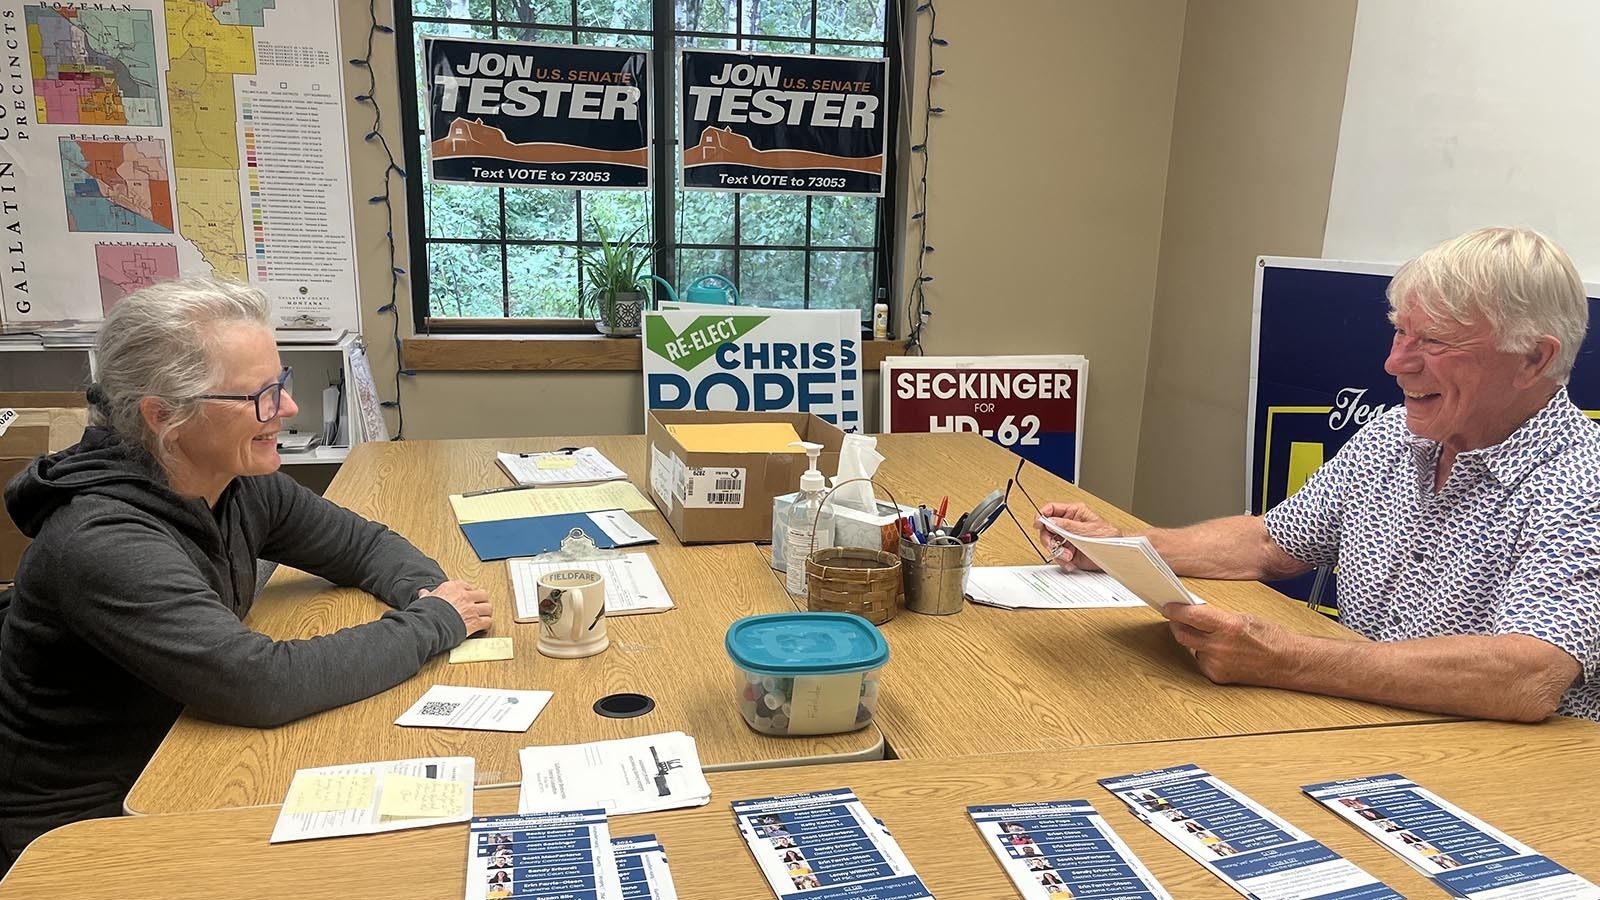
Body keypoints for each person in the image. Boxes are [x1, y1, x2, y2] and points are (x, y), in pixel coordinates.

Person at [0, 278, 493, 868]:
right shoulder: (102, 541)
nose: (287, 409)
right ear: (165, 417)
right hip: (82, 824)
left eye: (280, 383)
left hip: (185, 747)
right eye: (260, 395)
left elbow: (361, 545)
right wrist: (434, 622)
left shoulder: (234, 480)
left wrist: (427, 593)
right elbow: (258, 684)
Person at [1038, 226, 1599, 724]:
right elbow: (1268, 542)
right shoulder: (1391, 437)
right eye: (1401, 332)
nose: (1395, 363)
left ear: (1533, 360)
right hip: (1356, 722)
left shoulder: (1584, 478)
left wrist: (1287, 657)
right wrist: (1122, 545)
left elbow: (1527, 676)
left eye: (1434, 342)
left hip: (1510, 775)